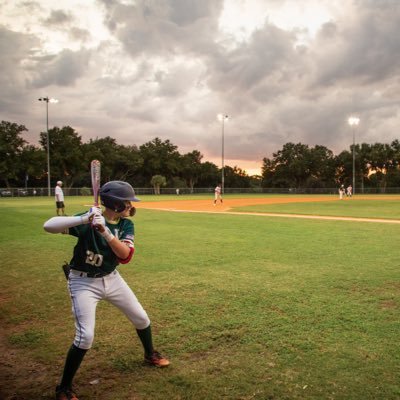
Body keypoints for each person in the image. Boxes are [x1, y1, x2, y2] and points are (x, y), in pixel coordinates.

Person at [43, 180, 170, 400]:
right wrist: (85, 219)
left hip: (112, 279)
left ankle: (150, 354)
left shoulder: (125, 225)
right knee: (86, 337)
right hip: (82, 282)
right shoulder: (88, 220)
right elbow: (49, 226)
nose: (130, 205)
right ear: (116, 203)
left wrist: (106, 232)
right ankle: (63, 388)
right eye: (127, 201)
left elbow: (125, 256)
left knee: (141, 317)